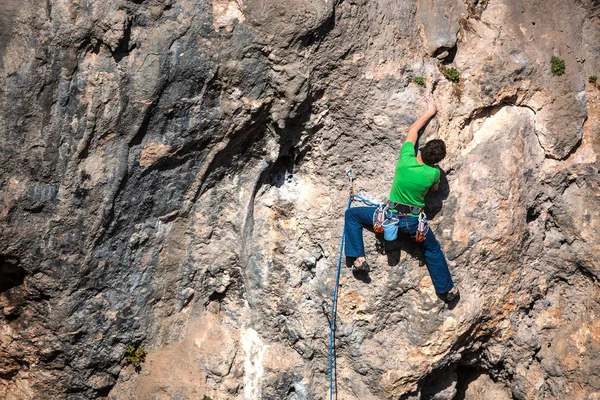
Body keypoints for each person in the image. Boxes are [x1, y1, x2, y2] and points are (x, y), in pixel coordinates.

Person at [344, 95, 459, 302]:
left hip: (389, 219)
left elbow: (413, 130)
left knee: (352, 215)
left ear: (422, 150)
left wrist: (430, 111)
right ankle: (447, 291)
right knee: (432, 250)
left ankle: (359, 258)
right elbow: (434, 189)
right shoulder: (434, 174)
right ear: (437, 163)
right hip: (414, 224)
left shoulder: (405, 159)